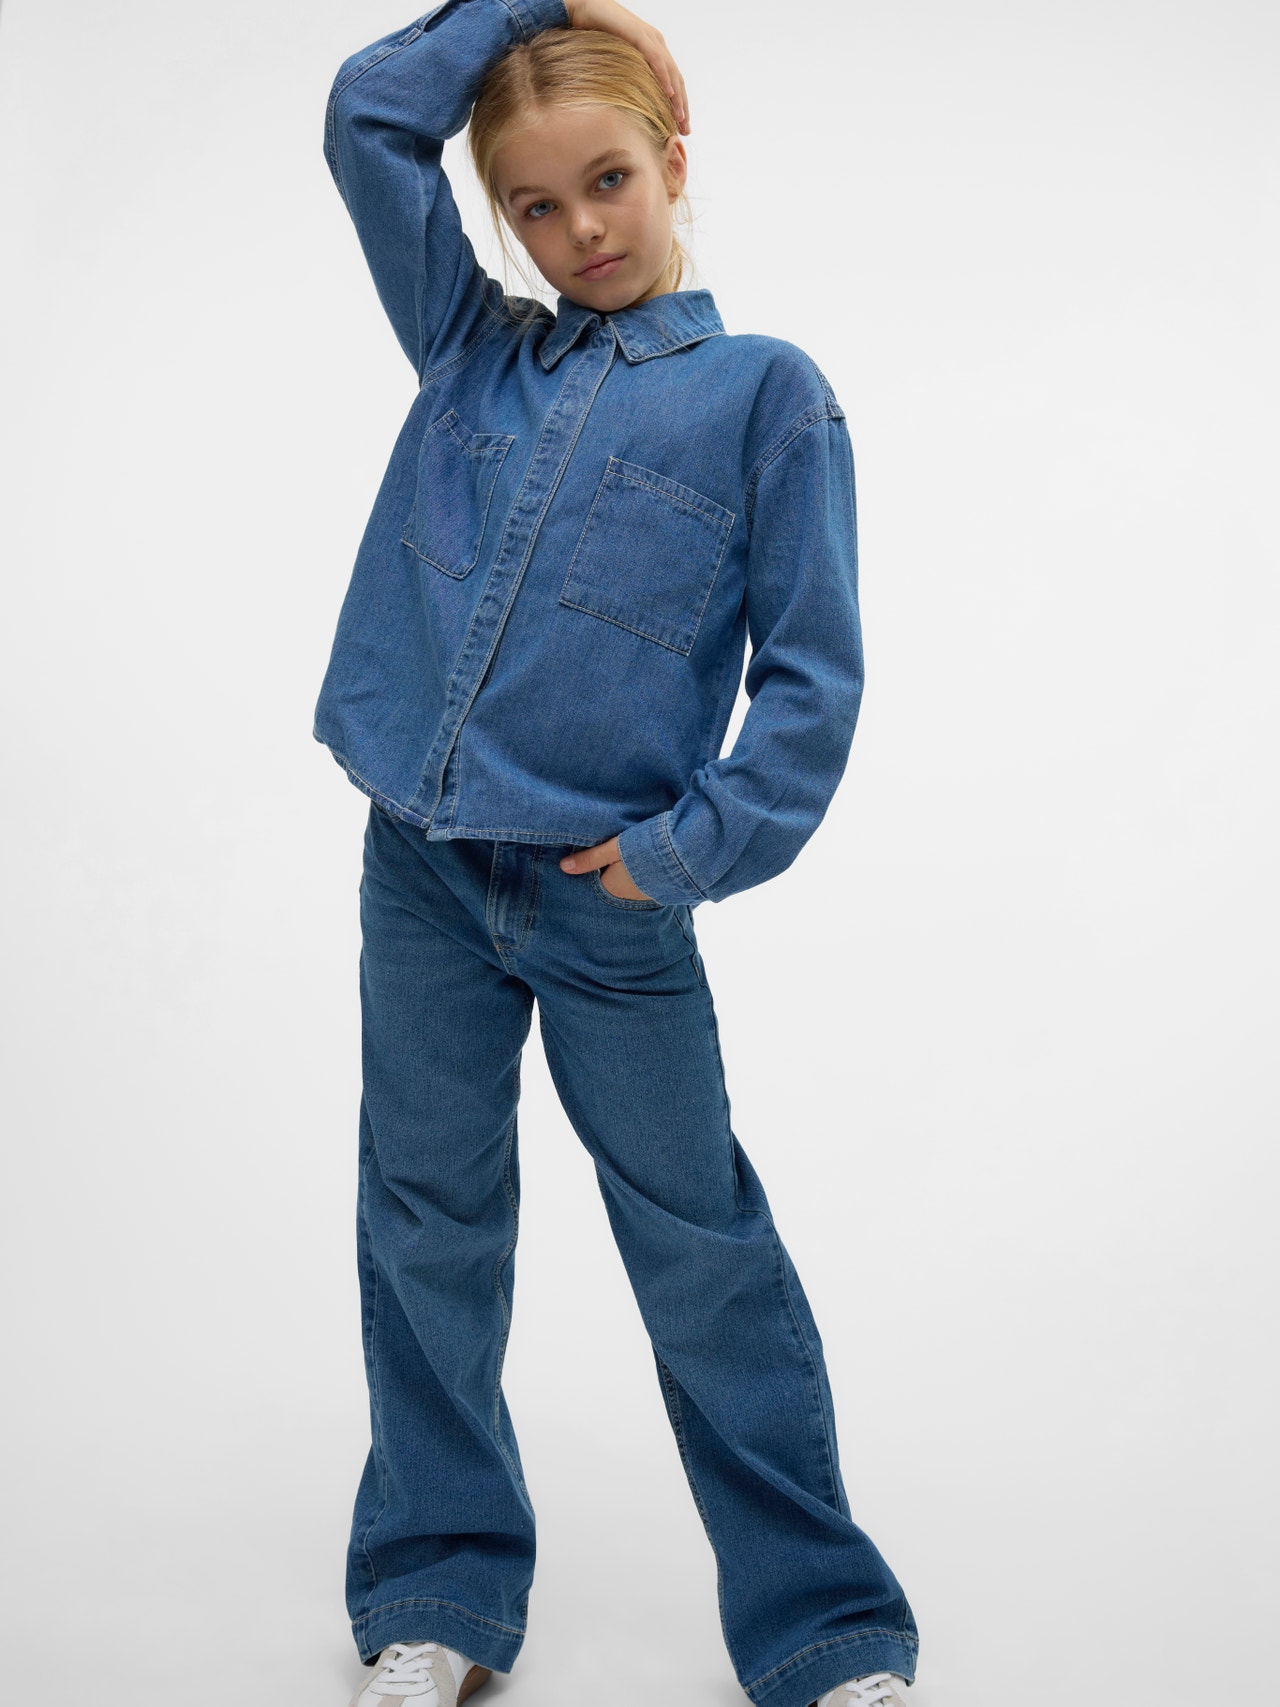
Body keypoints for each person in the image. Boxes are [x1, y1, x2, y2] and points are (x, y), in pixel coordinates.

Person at [313, 3, 921, 1704]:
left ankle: (824, 1626)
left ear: (672, 161)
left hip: (608, 904)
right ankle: (437, 1594)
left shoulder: (764, 395)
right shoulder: (471, 346)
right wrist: (544, 6)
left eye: (608, 181)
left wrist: (689, 852)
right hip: (423, 878)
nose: (579, 229)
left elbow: (812, 678)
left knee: (701, 1250)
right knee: (427, 1225)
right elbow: (368, 116)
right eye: (534, 205)